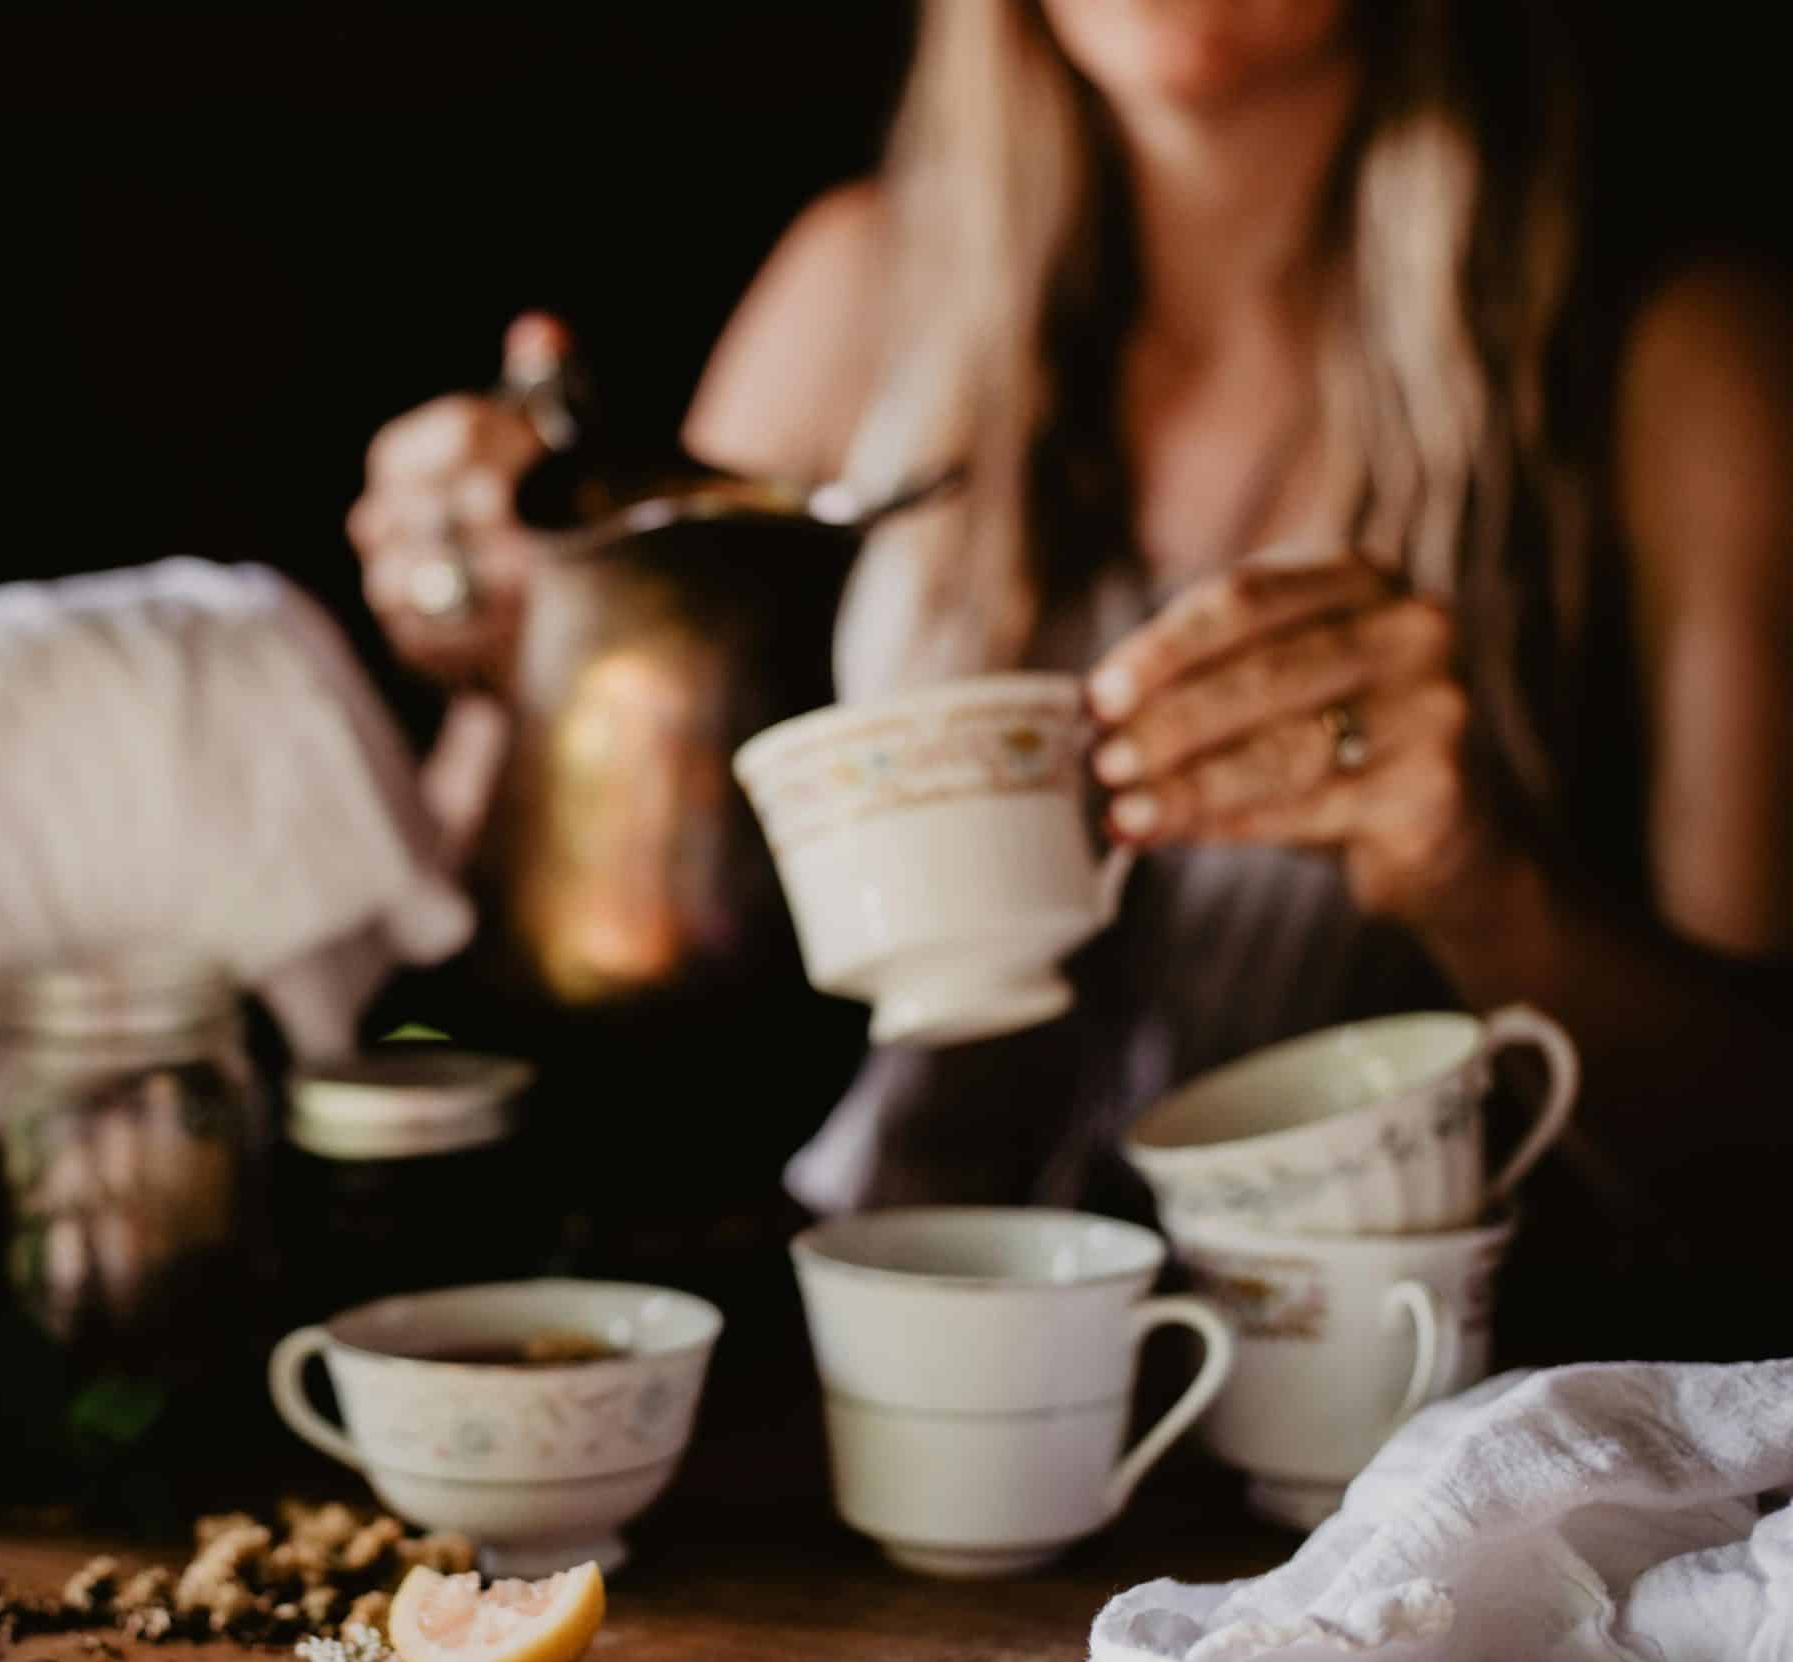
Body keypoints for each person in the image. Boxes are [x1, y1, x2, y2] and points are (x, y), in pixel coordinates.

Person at [347, 0, 1791, 1356]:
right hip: (857, 1386)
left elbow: (1753, 1200)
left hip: (1368, 1446)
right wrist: (516, 658)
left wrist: (1486, 881)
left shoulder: (1674, 371)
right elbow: (466, 961)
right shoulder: (862, 295)